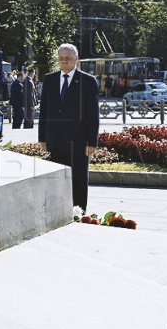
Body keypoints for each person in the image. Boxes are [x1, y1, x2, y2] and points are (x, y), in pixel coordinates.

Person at [38, 44, 100, 211]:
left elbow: (93, 115)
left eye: (68, 57)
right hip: (55, 141)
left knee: (78, 180)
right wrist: (42, 138)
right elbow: (44, 110)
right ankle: (58, 212)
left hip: (78, 142)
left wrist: (92, 142)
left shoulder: (88, 81)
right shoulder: (49, 79)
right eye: (61, 57)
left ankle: (79, 213)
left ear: (76, 59)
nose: (64, 60)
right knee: (57, 181)